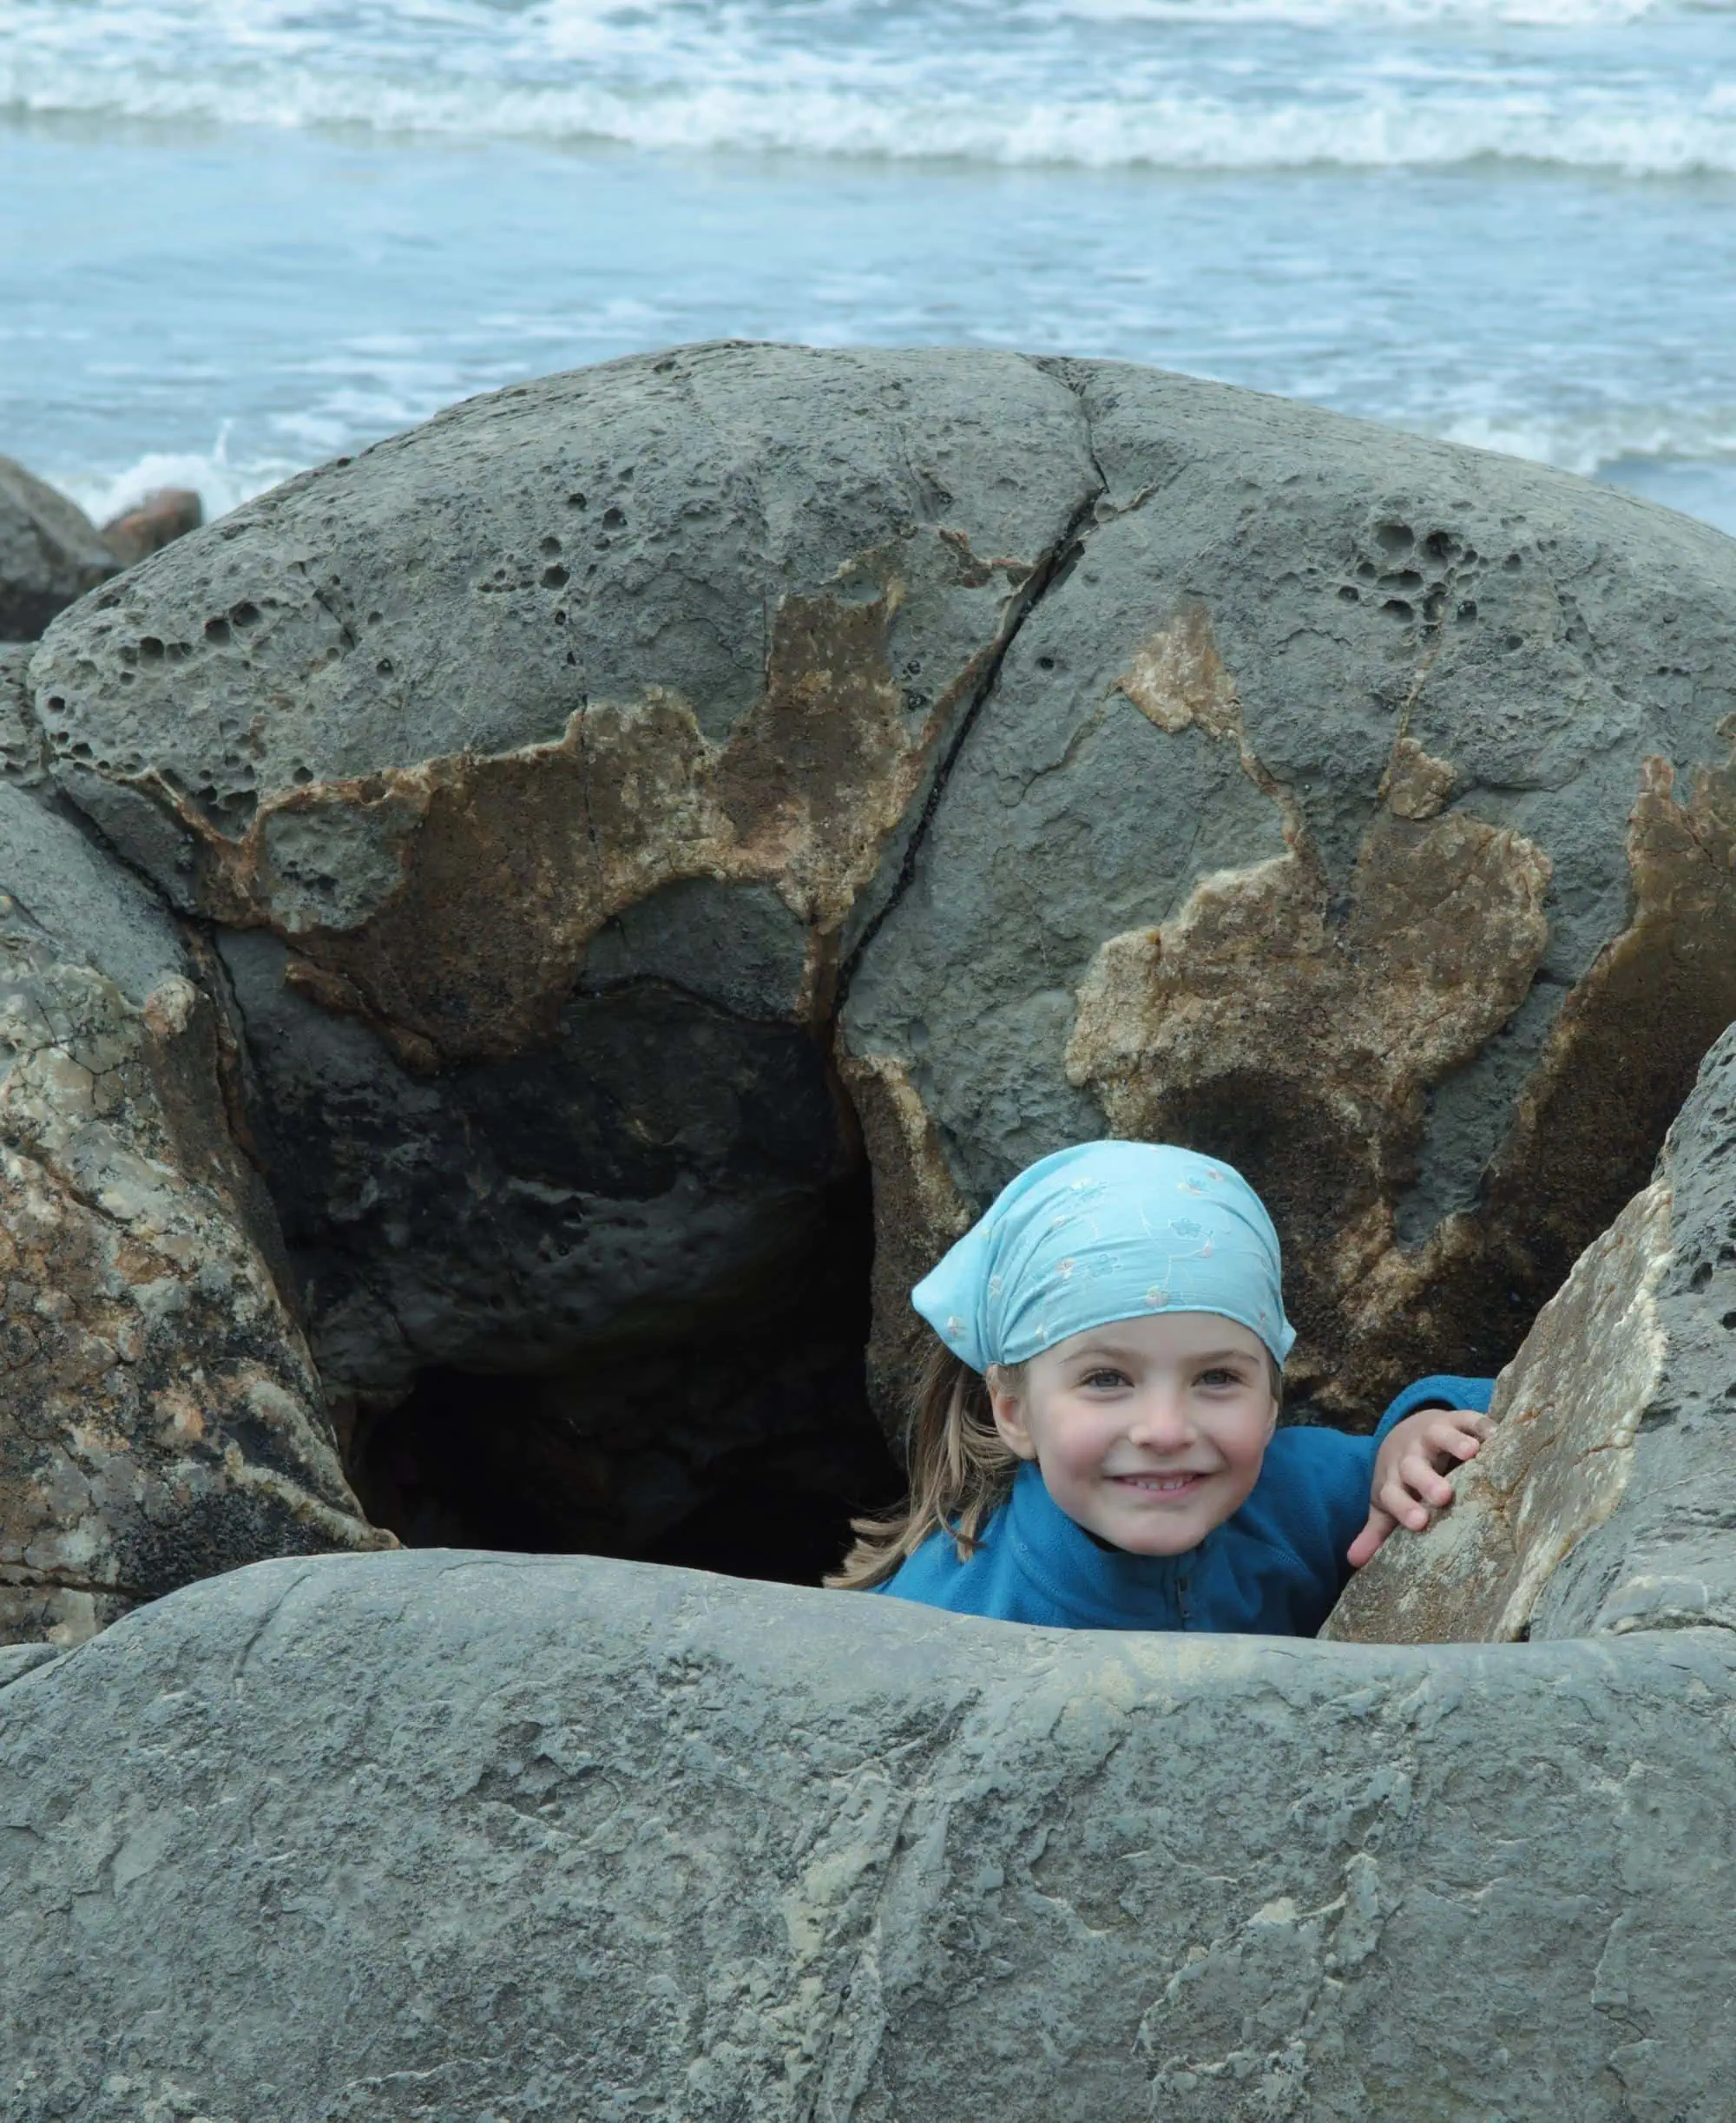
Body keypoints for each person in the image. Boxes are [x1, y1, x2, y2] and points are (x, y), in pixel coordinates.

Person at [829, 1140, 1494, 1634]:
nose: (1167, 1430)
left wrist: (1418, 1431)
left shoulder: (1304, 1497)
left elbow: (1519, 1404)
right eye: (1107, 1379)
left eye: (1217, 1377)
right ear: (1014, 1412)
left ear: (1270, 1403)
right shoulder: (944, 1618)